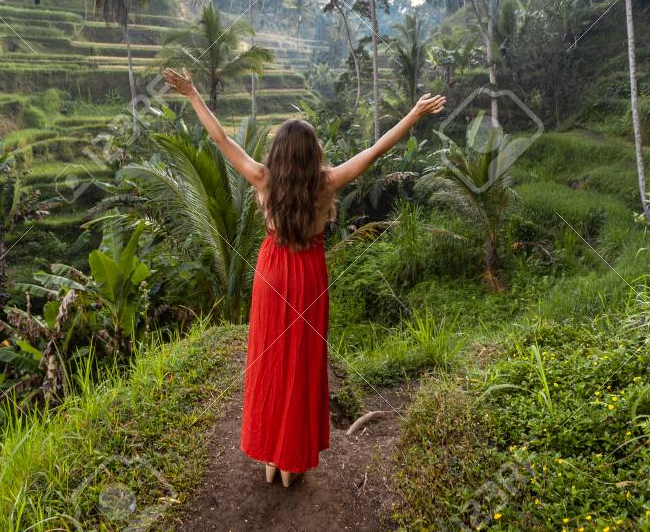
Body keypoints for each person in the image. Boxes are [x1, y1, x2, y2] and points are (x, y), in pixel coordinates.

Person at [161, 68, 447, 486]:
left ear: (278, 152)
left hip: (273, 272)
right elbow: (377, 150)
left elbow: (221, 140)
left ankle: (270, 458)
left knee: (269, 361)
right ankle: (292, 459)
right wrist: (413, 115)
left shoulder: (262, 178)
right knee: (301, 363)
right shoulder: (327, 182)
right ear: (313, 153)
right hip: (309, 273)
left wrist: (191, 94)